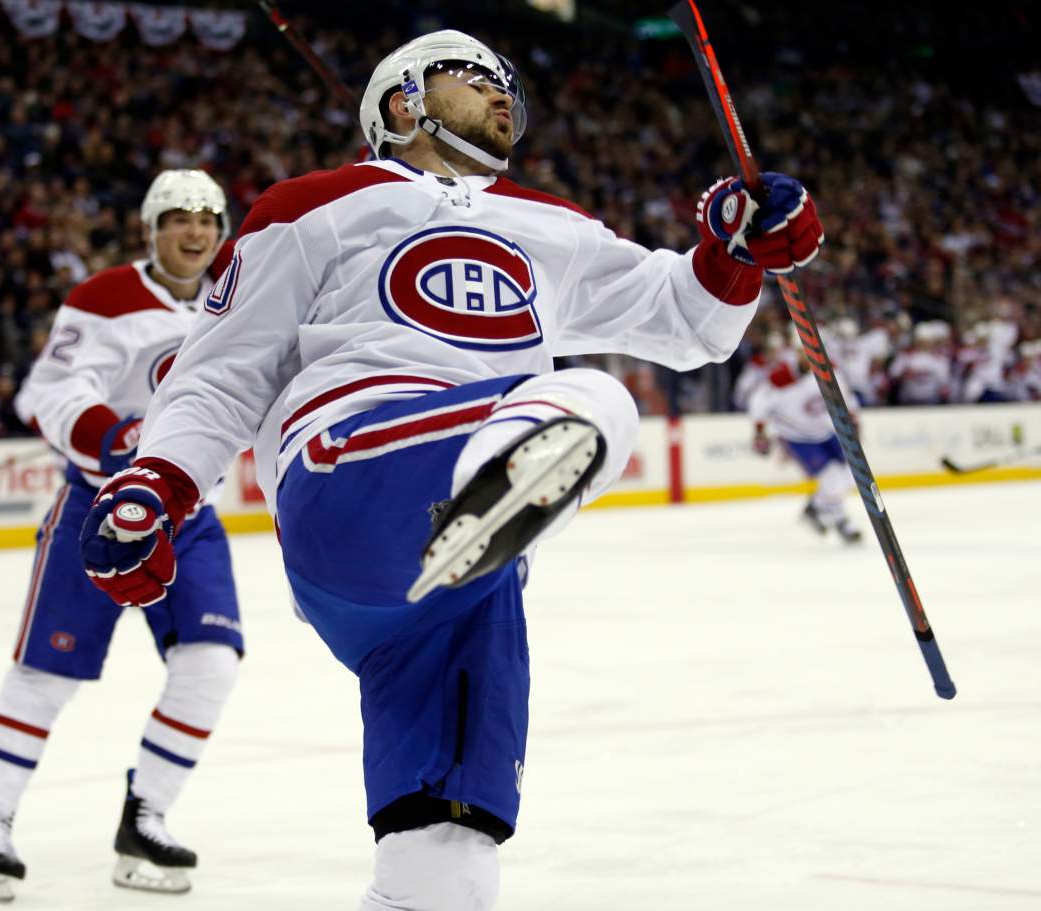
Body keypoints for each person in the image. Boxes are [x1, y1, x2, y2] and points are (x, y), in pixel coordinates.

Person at [79, 31, 823, 910]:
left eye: (510, 82)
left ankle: (493, 493)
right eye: (474, 76)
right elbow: (222, 371)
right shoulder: (316, 204)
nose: (505, 93)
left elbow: (687, 321)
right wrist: (155, 485)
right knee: (594, 404)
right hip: (349, 474)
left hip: (465, 589)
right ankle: (500, 468)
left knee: (445, 860)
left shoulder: (551, 224)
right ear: (403, 102)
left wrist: (740, 246)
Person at [0, 170, 244, 902]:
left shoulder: (239, 299)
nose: (195, 233)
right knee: (47, 675)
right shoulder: (104, 297)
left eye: (207, 220)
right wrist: (120, 439)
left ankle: (145, 817)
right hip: (100, 510)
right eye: (178, 219)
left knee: (211, 661)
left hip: (190, 518)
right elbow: (47, 392)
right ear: (152, 228)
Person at [749, 341, 862, 543]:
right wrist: (759, 432)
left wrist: (853, 419)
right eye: (804, 352)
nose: (809, 355)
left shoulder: (829, 370)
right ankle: (841, 521)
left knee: (848, 476)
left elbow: (844, 394)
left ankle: (815, 507)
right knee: (831, 479)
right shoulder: (781, 378)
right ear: (797, 353)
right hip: (797, 437)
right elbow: (758, 401)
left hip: (825, 431)